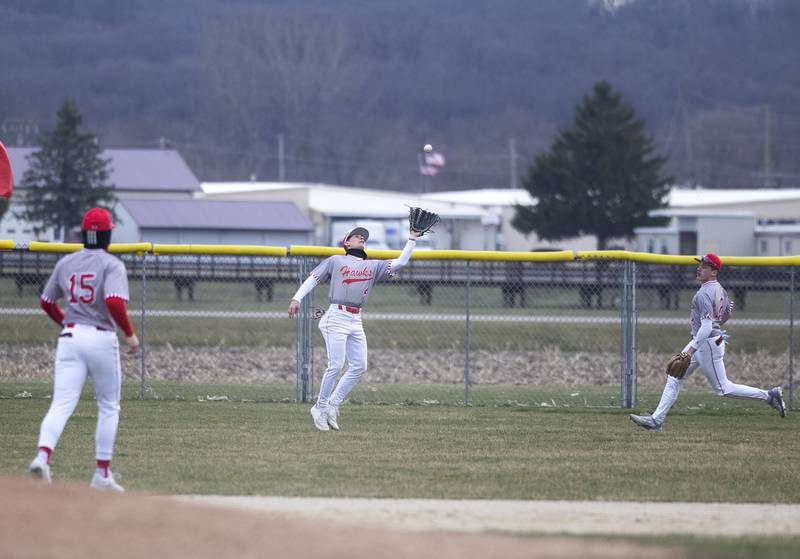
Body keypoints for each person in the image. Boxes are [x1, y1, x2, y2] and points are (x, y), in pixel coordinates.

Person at [28, 208, 140, 491]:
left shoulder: (66, 262)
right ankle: (101, 473)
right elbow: (114, 302)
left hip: (70, 337)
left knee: (62, 402)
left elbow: (46, 301)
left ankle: (43, 457)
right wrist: (130, 334)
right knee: (108, 405)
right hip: (101, 338)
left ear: (83, 234)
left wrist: (65, 321)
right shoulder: (112, 265)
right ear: (108, 234)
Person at [630, 253, 786, 432]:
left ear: (714, 272)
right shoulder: (720, 289)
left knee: (723, 389)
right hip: (705, 340)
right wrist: (711, 330)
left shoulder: (703, 294)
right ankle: (656, 421)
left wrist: (691, 349)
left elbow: (705, 326)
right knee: (674, 377)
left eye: (705, 266)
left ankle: (769, 396)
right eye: (700, 265)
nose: (699, 268)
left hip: (707, 344)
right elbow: (728, 312)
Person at [288, 226, 420, 431]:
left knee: (359, 365)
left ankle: (333, 404)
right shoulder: (335, 260)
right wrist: (297, 298)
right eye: (356, 236)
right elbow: (313, 279)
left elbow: (401, 262)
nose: (361, 238)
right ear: (346, 243)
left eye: (363, 237)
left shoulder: (373, 265)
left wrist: (411, 238)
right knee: (336, 365)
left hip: (355, 318)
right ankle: (319, 407)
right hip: (336, 315)